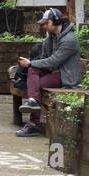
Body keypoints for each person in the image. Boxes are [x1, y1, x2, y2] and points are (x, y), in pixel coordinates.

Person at [16, 8, 82, 137]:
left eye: (47, 23)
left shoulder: (69, 40)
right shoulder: (51, 37)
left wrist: (30, 63)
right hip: (53, 72)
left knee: (37, 84)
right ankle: (32, 101)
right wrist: (30, 64)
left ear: (56, 21)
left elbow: (53, 61)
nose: (44, 26)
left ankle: (33, 124)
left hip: (65, 77)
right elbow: (44, 57)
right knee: (33, 71)